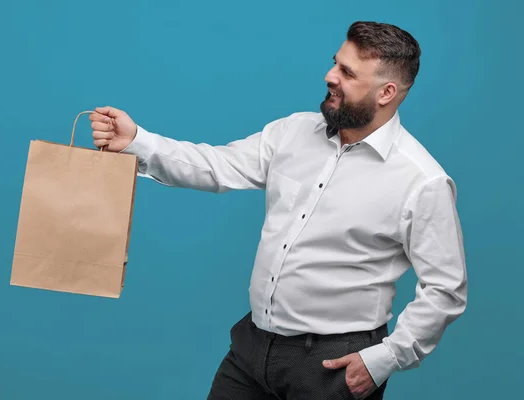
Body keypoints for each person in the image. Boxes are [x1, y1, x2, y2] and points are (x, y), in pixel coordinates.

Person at [89, 21, 467, 400]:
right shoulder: (293, 132)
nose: (330, 76)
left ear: (387, 92)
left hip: (335, 365)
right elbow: (217, 166)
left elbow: (445, 290)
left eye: (347, 73)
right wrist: (138, 142)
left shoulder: (422, 181)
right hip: (252, 349)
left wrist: (384, 359)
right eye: (336, 63)